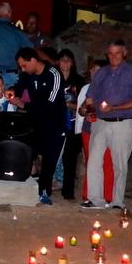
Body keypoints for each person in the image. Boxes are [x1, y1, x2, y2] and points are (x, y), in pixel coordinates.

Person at [81, 40, 132, 210]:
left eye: (117, 52)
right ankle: (96, 199)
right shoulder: (101, 73)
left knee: (119, 163)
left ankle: (117, 201)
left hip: (121, 123)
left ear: (125, 53)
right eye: (110, 53)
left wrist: (114, 107)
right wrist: (87, 106)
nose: (114, 56)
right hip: (100, 123)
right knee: (94, 161)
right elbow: (91, 97)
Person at [10, 48, 68, 204]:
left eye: (24, 65)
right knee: (28, 154)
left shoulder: (53, 75)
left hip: (53, 123)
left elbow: (50, 103)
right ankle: (23, 188)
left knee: (49, 159)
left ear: (33, 60)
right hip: (34, 122)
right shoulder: (26, 75)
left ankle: (44, 191)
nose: (22, 69)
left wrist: (24, 104)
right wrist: (12, 92)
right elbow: (19, 87)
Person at [76, 59, 114, 205]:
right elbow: (81, 109)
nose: (93, 73)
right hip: (88, 129)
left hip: (104, 129)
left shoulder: (110, 89)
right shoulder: (87, 88)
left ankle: (108, 196)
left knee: (107, 163)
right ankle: (89, 195)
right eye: (92, 70)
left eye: (97, 70)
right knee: (91, 163)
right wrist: (83, 110)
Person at [55, 49, 85, 201]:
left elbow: (83, 104)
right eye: (62, 59)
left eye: (68, 59)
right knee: (52, 155)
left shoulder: (79, 81)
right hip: (55, 122)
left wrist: (69, 105)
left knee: (70, 157)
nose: (65, 62)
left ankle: (68, 191)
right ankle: (47, 188)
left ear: (72, 62)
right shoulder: (53, 79)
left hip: (73, 123)